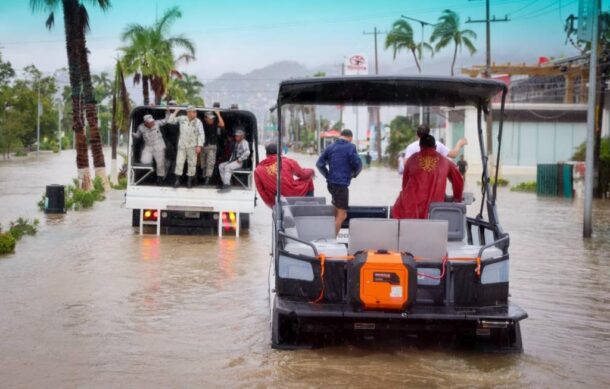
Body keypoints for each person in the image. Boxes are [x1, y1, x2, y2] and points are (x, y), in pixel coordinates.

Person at [392, 134, 464, 219]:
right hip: (434, 211)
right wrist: (457, 198)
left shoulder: (411, 160)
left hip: (409, 210)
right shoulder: (445, 162)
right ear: (435, 146)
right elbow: (458, 181)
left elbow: (405, 184)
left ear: (420, 146)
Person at [316, 129, 362, 235]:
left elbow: (319, 164)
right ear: (350, 138)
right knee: (342, 215)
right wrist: (353, 174)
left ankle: (327, 236)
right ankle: (331, 241)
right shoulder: (351, 147)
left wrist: (328, 175)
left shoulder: (330, 147)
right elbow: (358, 165)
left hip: (331, 185)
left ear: (340, 136)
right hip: (341, 185)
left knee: (336, 212)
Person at [167, 105, 204, 188]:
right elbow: (170, 121)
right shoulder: (182, 118)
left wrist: (199, 145)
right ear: (188, 112)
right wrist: (176, 111)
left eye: (195, 112)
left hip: (192, 146)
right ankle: (177, 181)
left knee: (192, 164)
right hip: (182, 146)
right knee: (179, 163)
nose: (195, 113)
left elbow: (201, 134)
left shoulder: (198, 122)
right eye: (193, 112)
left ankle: (189, 181)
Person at [132, 114, 168, 185]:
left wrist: (168, 112)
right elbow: (137, 135)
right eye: (150, 122)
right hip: (148, 146)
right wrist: (132, 134)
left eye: (152, 121)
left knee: (160, 164)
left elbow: (166, 120)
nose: (152, 123)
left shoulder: (157, 123)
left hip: (159, 146)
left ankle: (160, 180)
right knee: (144, 161)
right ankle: (150, 173)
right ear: (145, 122)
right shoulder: (141, 127)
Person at [200, 110, 225, 185]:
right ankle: (204, 177)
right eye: (209, 118)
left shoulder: (215, 124)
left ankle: (208, 179)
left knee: (210, 163)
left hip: (212, 146)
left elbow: (222, 124)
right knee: (203, 163)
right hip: (203, 146)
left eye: (212, 118)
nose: (211, 119)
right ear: (205, 118)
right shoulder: (202, 124)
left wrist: (218, 114)